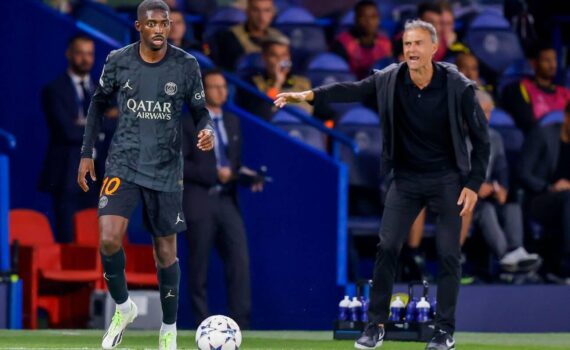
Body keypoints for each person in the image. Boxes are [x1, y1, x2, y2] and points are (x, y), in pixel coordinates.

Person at [275, 19, 490, 350]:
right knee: (387, 247)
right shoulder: (391, 78)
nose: (411, 50)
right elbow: (352, 89)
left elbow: (482, 139)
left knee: (449, 254)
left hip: (446, 178)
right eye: (407, 44)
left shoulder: (457, 86)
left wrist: (473, 184)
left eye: (418, 43)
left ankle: (444, 330)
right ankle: (375, 325)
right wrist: (308, 95)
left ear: (434, 48)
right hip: (405, 179)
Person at [77, 1, 214, 349]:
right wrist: (86, 152)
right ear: (138, 27)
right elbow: (96, 104)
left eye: (163, 23)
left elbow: (200, 111)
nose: (157, 29)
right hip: (123, 162)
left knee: (165, 252)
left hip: (167, 168)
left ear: (169, 26)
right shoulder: (118, 60)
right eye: (150, 23)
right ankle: (124, 307)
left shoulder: (186, 65)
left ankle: (168, 329)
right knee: (108, 238)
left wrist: (207, 129)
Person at [183, 70, 262, 329]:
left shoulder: (232, 121)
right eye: (214, 87)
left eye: (223, 86)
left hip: (227, 200)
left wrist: (247, 176)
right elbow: (175, 164)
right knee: (198, 268)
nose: (221, 91)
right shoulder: (186, 123)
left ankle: (241, 323)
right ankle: (201, 323)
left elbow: (233, 163)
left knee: (239, 262)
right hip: (200, 200)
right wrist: (213, 173)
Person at [39, 35, 106, 243]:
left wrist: (84, 123)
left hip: (97, 179)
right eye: (80, 53)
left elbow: (117, 123)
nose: (85, 59)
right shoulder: (54, 89)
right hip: (67, 176)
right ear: (69, 54)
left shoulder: (102, 90)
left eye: (89, 54)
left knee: (95, 241)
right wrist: (98, 127)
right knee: (69, 240)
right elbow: (66, 131)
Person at [472, 90, 541, 273]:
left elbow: (501, 168)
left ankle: (516, 250)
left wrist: (502, 188)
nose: (487, 117)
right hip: (460, 195)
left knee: (511, 203)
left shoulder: (494, 137)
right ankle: (504, 256)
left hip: (486, 192)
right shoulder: (453, 137)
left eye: (489, 112)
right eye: (483, 111)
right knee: (485, 210)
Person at [519, 101, 570, 282]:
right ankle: (567, 261)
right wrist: (551, 187)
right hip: (540, 198)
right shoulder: (543, 135)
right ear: (566, 117)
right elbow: (524, 172)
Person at [236, 35, 312, 121]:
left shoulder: (304, 82)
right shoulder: (252, 83)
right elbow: (262, 114)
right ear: (264, 58)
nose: (280, 60)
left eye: (284, 55)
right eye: (274, 55)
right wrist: (277, 83)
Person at [501, 44, 570, 133]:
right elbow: (527, 122)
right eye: (547, 60)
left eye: (554, 60)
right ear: (534, 63)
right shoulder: (520, 88)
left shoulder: (565, 93)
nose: (553, 65)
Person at [208, 0, 283, 70]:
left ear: (273, 13)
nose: (261, 17)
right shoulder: (230, 37)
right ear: (247, 11)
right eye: (256, 10)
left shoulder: (279, 37)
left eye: (267, 10)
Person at [332, 0, 392, 80]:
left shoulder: (386, 44)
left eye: (373, 17)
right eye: (364, 17)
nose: (369, 21)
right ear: (355, 19)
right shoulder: (343, 43)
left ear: (379, 19)